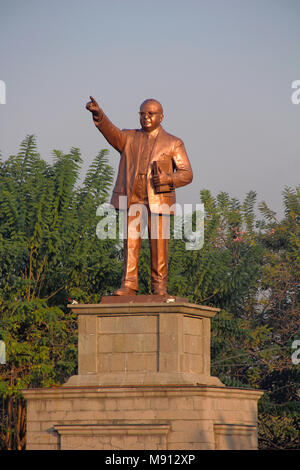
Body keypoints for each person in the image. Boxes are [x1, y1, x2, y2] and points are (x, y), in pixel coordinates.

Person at [86, 96, 193, 296]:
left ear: (161, 116)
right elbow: (112, 132)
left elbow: (187, 173)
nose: (146, 118)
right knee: (131, 243)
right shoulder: (129, 137)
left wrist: (168, 179)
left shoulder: (173, 143)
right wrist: (99, 115)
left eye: (150, 114)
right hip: (133, 196)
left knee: (159, 245)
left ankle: (159, 287)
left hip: (159, 199)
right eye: (142, 114)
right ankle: (128, 284)